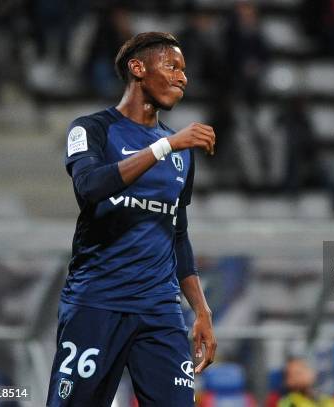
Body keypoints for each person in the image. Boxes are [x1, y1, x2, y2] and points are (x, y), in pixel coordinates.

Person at [46, 32, 217, 406]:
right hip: (97, 303)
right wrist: (164, 146)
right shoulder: (92, 130)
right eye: (172, 66)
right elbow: (90, 186)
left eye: (184, 70)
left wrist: (201, 310)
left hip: (160, 310)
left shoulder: (181, 152)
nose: (182, 78)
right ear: (138, 68)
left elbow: (178, 233)